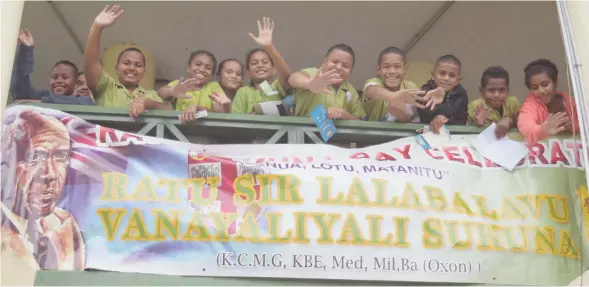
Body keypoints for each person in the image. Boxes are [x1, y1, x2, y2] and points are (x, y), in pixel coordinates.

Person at [0, 110, 85, 270]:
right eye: (37, 157)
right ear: (9, 161)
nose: (50, 174)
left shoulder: (65, 224)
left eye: (61, 157)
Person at [83, 5, 169, 119]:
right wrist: (97, 27)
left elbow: (169, 110)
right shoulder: (106, 87)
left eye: (138, 65)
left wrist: (148, 103)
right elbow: (91, 62)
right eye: (126, 63)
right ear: (116, 68)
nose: (132, 68)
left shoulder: (150, 94)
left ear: (144, 72)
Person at [10, 29, 94, 105]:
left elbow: (74, 103)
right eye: (55, 77)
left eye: (65, 77)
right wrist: (26, 49)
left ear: (75, 84)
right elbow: (19, 89)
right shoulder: (44, 95)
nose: (59, 81)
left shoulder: (84, 101)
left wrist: (41, 102)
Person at [363, 47, 442, 122]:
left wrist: (399, 113)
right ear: (378, 70)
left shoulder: (410, 86)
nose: (392, 71)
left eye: (397, 66)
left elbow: (408, 118)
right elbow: (371, 90)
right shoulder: (374, 82)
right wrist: (393, 97)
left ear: (406, 69)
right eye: (386, 67)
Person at [231, 17, 292, 114]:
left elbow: (287, 76)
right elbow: (236, 121)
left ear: (274, 69)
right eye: (254, 63)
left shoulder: (277, 87)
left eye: (265, 62)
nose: (260, 65)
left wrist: (269, 46)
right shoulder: (243, 92)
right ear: (248, 72)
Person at [288, 44, 365, 120]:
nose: (338, 67)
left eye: (345, 66)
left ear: (351, 71)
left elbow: (359, 120)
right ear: (324, 62)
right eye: (334, 61)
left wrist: (344, 115)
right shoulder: (314, 74)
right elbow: (292, 79)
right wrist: (309, 83)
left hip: (335, 132)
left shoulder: (350, 90)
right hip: (302, 131)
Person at [158, 50, 232, 122]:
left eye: (208, 68)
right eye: (198, 64)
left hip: (207, 130)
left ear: (212, 75)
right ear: (188, 68)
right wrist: (172, 91)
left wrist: (197, 107)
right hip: (179, 128)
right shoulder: (181, 84)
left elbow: (218, 113)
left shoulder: (213, 86)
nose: (202, 69)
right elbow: (161, 93)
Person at [518, 59, 579, 144]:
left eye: (545, 84)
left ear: (555, 82)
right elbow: (525, 126)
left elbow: (585, 122)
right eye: (535, 88)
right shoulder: (530, 104)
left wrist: (575, 126)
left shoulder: (569, 102)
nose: (541, 91)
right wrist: (543, 130)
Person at [418, 54, 468, 133]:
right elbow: (424, 115)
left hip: (452, 136)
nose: (446, 78)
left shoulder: (461, 94)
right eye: (442, 73)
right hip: (426, 133)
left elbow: (462, 121)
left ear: (458, 80)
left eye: (452, 75)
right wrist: (441, 104)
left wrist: (446, 119)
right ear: (433, 75)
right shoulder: (425, 90)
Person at [468, 66, 520, 138]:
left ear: (508, 90)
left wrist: (509, 121)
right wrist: (478, 124)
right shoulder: (477, 106)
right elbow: (467, 134)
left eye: (501, 90)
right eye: (491, 90)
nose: (497, 95)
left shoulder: (514, 103)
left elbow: (522, 124)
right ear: (481, 90)